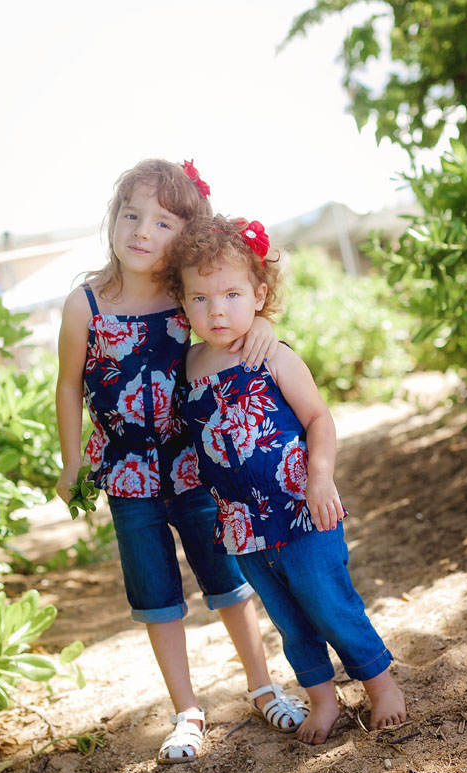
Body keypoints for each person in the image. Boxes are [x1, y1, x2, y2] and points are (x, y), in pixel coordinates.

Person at [55, 160, 310, 764]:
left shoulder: (184, 296)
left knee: (227, 579)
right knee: (157, 595)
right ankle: (187, 711)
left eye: (163, 222)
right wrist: (72, 464)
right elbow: (68, 386)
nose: (143, 231)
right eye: (131, 215)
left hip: (196, 467)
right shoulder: (85, 304)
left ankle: (262, 685)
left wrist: (267, 331)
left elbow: (235, 313)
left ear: (186, 233)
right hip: (126, 476)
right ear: (112, 220)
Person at [167, 214, 407, 745]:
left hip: (302, 509)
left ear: (258, 294)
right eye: (200, 299)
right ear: (182, 305)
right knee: (290, 621)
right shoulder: (187, 369)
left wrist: (321, 479)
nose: (217, 309)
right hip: (243, 528)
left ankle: (379, 683)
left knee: (329, 602)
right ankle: (322, 697)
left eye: (231, 294)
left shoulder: (270, 354)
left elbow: (319, 418)